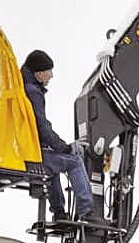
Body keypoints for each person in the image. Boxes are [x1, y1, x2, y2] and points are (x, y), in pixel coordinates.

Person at [21, 49, 94, 223]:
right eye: (49, 72)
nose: (51, 76)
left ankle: (59, 212)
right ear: (39, 74)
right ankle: (86, 213)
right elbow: (42, 128)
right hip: (31, 154)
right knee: (74, 161)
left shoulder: (23, 87)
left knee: (53, 166)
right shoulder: (33, 92)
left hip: (27, 149)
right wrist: (66, 147)